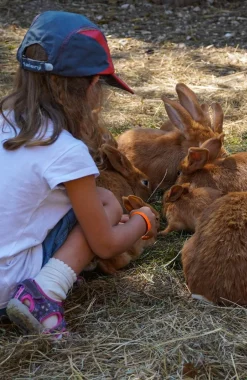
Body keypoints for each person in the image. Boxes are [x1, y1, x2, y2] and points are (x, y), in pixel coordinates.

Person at [0, 11, 157, 336]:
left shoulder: (6, 118)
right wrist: (143, 221)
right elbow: (106, 244)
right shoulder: (67, 151)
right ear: (92, 86)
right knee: (108, 205)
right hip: (6, 284)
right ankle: (43, 294)